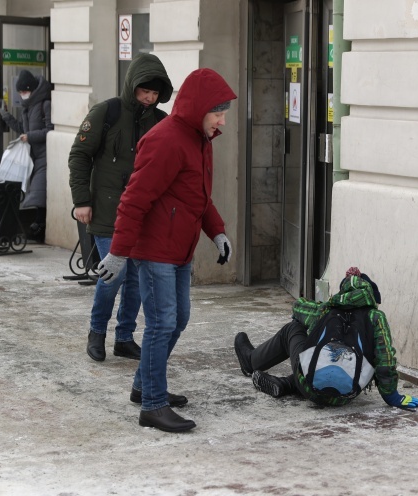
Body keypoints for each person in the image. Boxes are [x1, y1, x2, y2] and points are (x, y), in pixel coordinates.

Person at [97, 68, 237, 433]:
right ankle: (153, 405)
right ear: (197, 108)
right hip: (155, 248)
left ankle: (144, 385)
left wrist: (217, 232)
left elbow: (197, 197)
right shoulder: (167, 140)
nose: (222, 120)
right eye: (217, 112)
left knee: (179, 319)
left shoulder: (199, 140)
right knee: (162, 324)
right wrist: (118, 251)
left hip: (179, 248)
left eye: (224, 112)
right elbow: (134, 199)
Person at [68, 54, 173, 363]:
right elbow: (79, 155)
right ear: (132, 87)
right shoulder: (107, 112)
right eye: (144, 91)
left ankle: (124, 337)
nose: (149, 98)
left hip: (143, 213)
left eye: (155, 93)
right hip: (106, 210)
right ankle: (97, 331)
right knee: (115, 272)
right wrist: (81, 201)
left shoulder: (160, 121)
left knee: (136, 278)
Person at [234, 267, 418, 410]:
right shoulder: (376, 317)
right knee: (339, 361)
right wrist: (392, 396)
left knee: (293, 329)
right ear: (371, 296)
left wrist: (331, 306)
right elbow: (385, 359)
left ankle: (250, 361)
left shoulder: (328, 309)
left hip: (309, 386)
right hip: (346, 394)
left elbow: (298, 307)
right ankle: (284, 385)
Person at [0, 69, 53, 241]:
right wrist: (5, 116)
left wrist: (31, 137)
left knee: (37, 193)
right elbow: (23, 128)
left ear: (32, 89)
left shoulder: (45, 104)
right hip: (31, 157)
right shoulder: (27, 108)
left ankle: (39, 225)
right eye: (20, 92)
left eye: (24, 91)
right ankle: (36, 226)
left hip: (44, 155)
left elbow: (50, 131)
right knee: (32, 191)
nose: (22, 95)